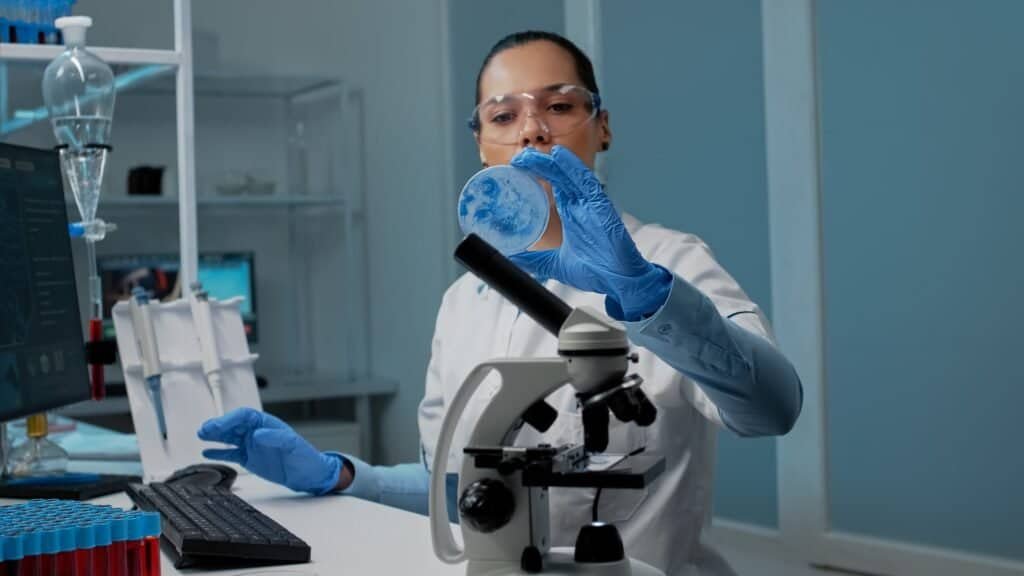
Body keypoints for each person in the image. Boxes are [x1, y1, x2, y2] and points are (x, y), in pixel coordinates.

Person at [197, 30, 803, 575]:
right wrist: (343, 475)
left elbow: (772, 409)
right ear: (483, 145)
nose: (533, 130)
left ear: (604, 126)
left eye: (560, 106)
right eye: (504, 115)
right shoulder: (464, 301)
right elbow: (464, 488)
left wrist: (643, 293)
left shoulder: (673, 259)